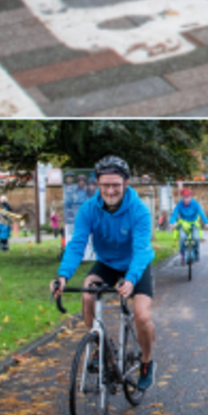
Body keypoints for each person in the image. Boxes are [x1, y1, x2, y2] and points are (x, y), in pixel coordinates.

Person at [51, 156, 158, 393]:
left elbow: (141, 249)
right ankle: (101, 346)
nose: (111, 190)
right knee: (88, 294)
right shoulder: (88, 209)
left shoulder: (139, 210)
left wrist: (130, 279)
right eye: (105, 185)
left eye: (116, 185)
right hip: (108, 263)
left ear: (126, 184)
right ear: (97, 184)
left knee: (141, 316)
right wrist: (63, 276)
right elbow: (77, 244)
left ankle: (147, 362)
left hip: (136, 263)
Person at [167, 186, 208, 263]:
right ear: (182, 197)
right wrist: (171, 223)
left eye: (188, 197)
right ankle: (182, 255)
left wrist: (206, 222)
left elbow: (201, 213)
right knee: (182, 238)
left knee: (196, 238)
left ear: (190, 196)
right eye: (184, 197)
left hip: (194, 224)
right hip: (183, 224)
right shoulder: (179, 205)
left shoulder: (195, 204)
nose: (186, 199)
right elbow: (174, 214)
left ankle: (196, 253)